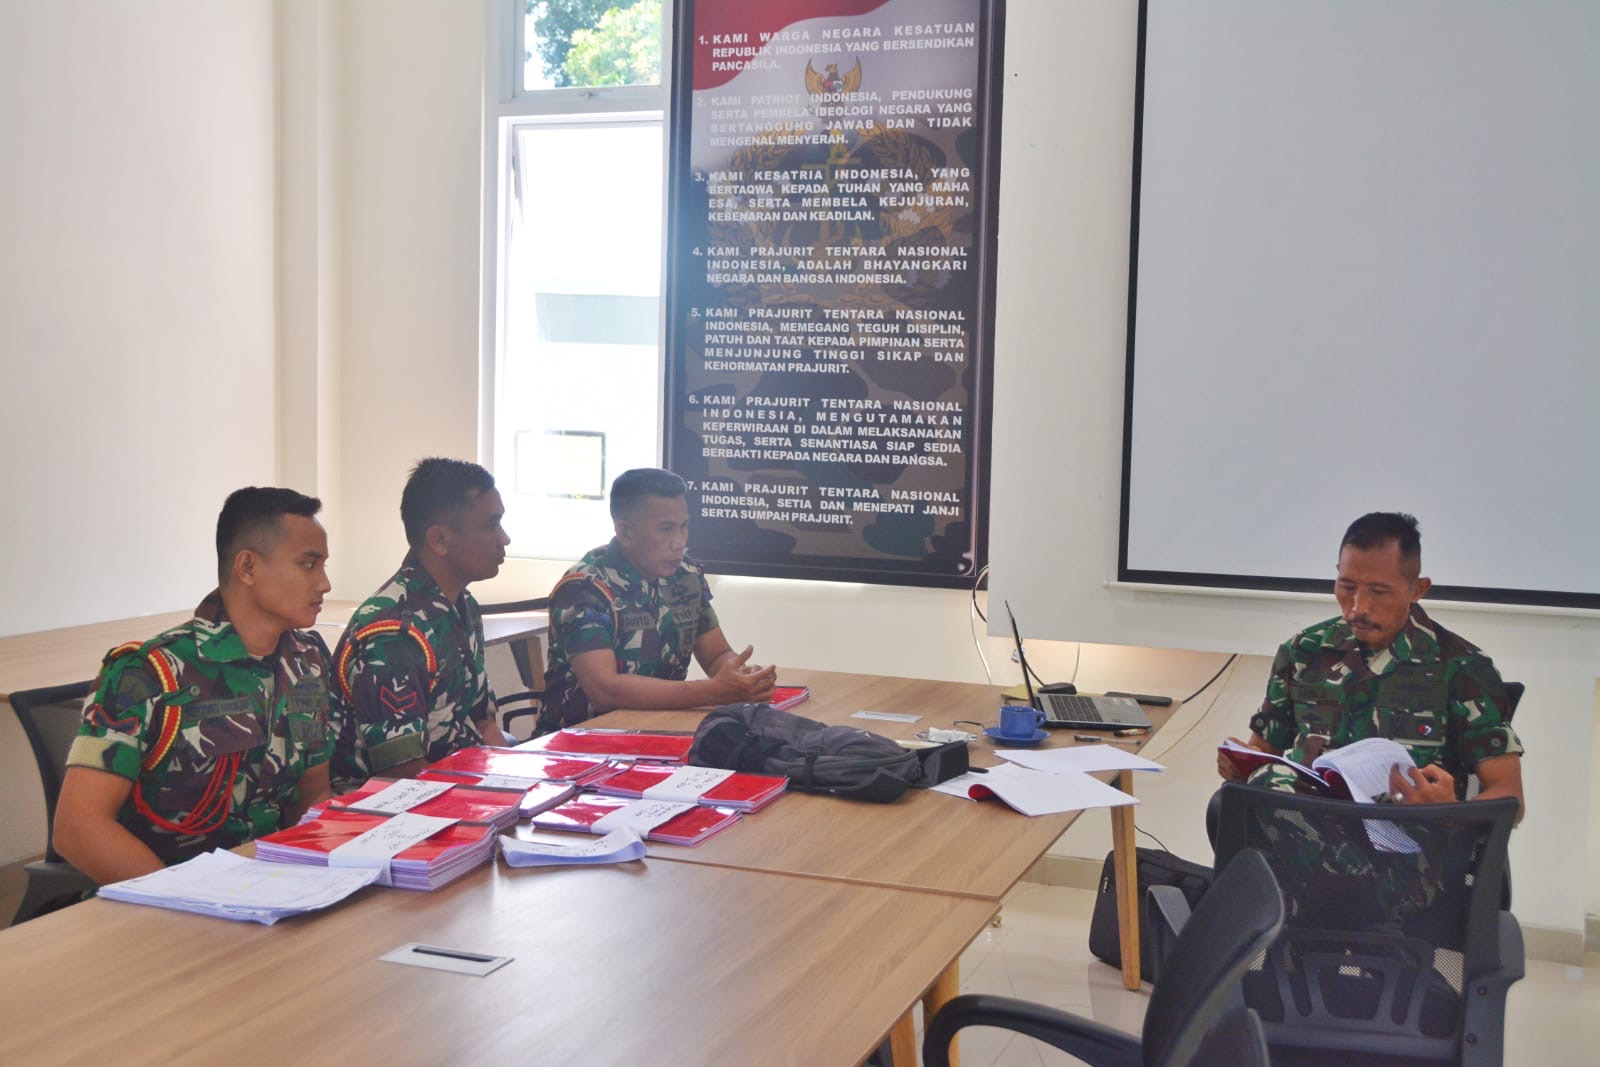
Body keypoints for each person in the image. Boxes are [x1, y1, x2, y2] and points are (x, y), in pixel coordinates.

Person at [54, 487, 336, 884]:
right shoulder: (149, 672)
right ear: (247, 568)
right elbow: (78, 829)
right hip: (164, 897)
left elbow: (311, 797)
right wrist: (186, 898)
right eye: (308, 564)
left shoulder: (306, 662)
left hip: (269, 885)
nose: (325, 584)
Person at [1219, 512, 1524, 820]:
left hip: (1406, 833)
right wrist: (1241, 764)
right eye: (1347, 586)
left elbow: (1511, 798)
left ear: (1417, 589)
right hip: (1311, 827)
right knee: (1235, 800)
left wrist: (1448, 810)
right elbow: (1263, 752)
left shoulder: (1463, 667)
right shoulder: (1304, 651)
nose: (1359, 607)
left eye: (1379, 591)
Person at [539, 467, 776, 734]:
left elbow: (717, 655)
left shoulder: (685, 575)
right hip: (580, 742)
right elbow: (605, 690)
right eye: (665, 529)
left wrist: (740, 676)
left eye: (683, 527)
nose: (678, 543)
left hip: (660, 728)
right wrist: (714, 691)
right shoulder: (585, 587)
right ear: (625, 532)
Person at [329, 458, 510, 791]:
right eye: (491, 525)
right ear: (439, 539)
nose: (505, 539)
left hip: (457, 786)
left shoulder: (462, 605)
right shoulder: (395, 632)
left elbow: (484, 723)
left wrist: (514, 786)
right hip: (391, 806)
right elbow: (402, 772)